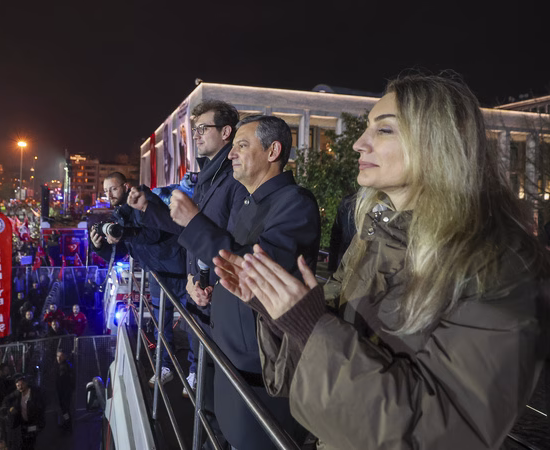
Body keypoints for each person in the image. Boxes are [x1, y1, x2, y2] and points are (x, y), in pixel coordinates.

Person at [213, 74, 550, 450]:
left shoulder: (497, 262)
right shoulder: (374, 236)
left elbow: (446, 432)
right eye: (366, 128)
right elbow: (331, 345)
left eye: (384, 130)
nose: (359, 143)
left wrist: (310, 326)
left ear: (436, 142)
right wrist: (280, 313)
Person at [171, 115, 320, 449]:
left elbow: (254, 269)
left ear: (273, 151)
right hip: (229, 359)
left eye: (241, 145)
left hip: (259, 376)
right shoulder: (249, 201)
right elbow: (233, 255)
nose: (231, 154)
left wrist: (194, 223)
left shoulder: (296, 203)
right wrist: (209, 284)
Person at [128, 99, 247, 398]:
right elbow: (192, 230)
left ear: (225, 132)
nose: (194, 135)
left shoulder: (234, 178)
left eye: (202, 128)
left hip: (226, 300)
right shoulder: (207, 176)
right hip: (202, 289)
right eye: (193, 129)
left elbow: (228, 239)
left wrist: (210, 284)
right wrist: (196, 279)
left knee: (218, 392)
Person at [91, 172, 189, 388]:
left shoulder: (146, 199)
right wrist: (99, 246)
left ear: (126, 186)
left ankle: (195, 371)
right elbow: (121, 251)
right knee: (160, 327)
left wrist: (124, 233)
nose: (109, 194)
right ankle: (164, 367)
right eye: (105, 190)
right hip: (156, 274)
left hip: (178, 272)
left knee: (192, 325)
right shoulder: (120, 214)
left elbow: (155, 234)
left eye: (113, 188)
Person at [5, 376, 44, 450]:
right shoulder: (18, 393)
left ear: (26, 383)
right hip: (23, 423)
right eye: (18, 385)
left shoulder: (34, 393)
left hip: (33, 422)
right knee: (24, 441)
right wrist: (11, 408)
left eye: (22, 384)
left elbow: (41, 407)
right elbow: (7, 400)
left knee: (31, 441)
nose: (20, 387)